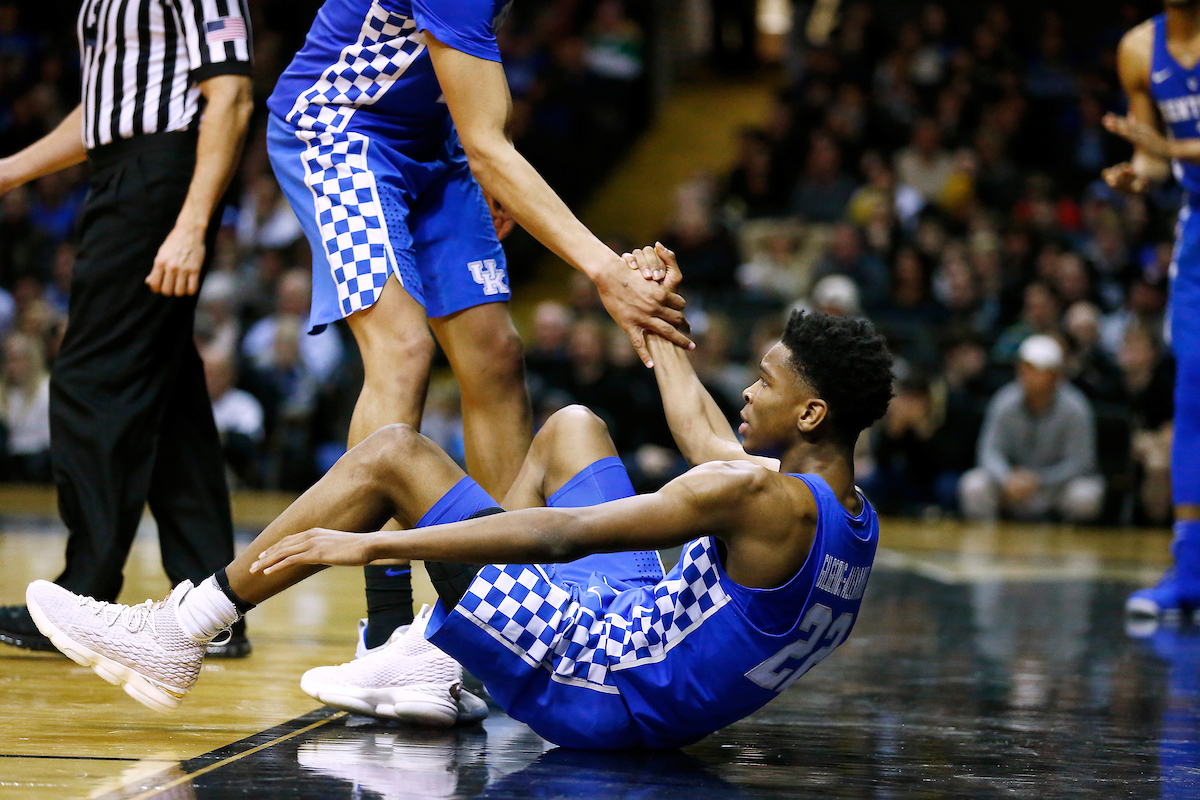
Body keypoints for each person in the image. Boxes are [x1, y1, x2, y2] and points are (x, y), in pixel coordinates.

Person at [23, 255, 894, 749]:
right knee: (574, 427)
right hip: (640, 649)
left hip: (595, 685)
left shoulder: (754, 494)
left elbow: (562, 534)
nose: (747, 388)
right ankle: (446, 657)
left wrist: (376, 548)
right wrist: (657, 320)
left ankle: (181, 632)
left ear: (810, 413)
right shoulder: (846, 516)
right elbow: (708, 443)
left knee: (398, 456)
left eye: (768, 382)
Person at [265, 0, 691, 670]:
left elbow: (476, 97)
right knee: (403, 349)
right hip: (339, 128)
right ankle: (385, 630)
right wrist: (604, 268)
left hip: (436, 141)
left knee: (495, 356)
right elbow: (492, 141)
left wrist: (486, 156)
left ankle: (508, 602)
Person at [0, 0, 253, 655]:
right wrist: (10, 171)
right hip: (125, 169)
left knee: (89, 375)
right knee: (168, 393)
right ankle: (212, 607)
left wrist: (194, 226)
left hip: (161, 174)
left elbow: (231, 96)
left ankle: (83, 596)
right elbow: (106, 111)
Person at [1103, 0, 1200, 618]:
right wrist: (1139, 174)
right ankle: (1189, 569)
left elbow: (1169, 141)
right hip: (1197, 235)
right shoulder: (1139, 49)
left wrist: (1164, 144)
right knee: (1190, 395)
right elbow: (1156, 158)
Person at [958, 335, 1105, 522]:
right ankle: (987, 542)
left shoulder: (1076, 407)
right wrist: (1007, 478)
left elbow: (1080, 462)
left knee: (1084, 497)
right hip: (1010, 486)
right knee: (973, 485)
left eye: (1036, 370)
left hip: (1054, 488)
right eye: (1024, 368)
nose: (1027, 375)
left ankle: (1065, 545)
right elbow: (989, 451)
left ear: (1055, 375)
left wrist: (1039, 480)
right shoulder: (1004, 401)